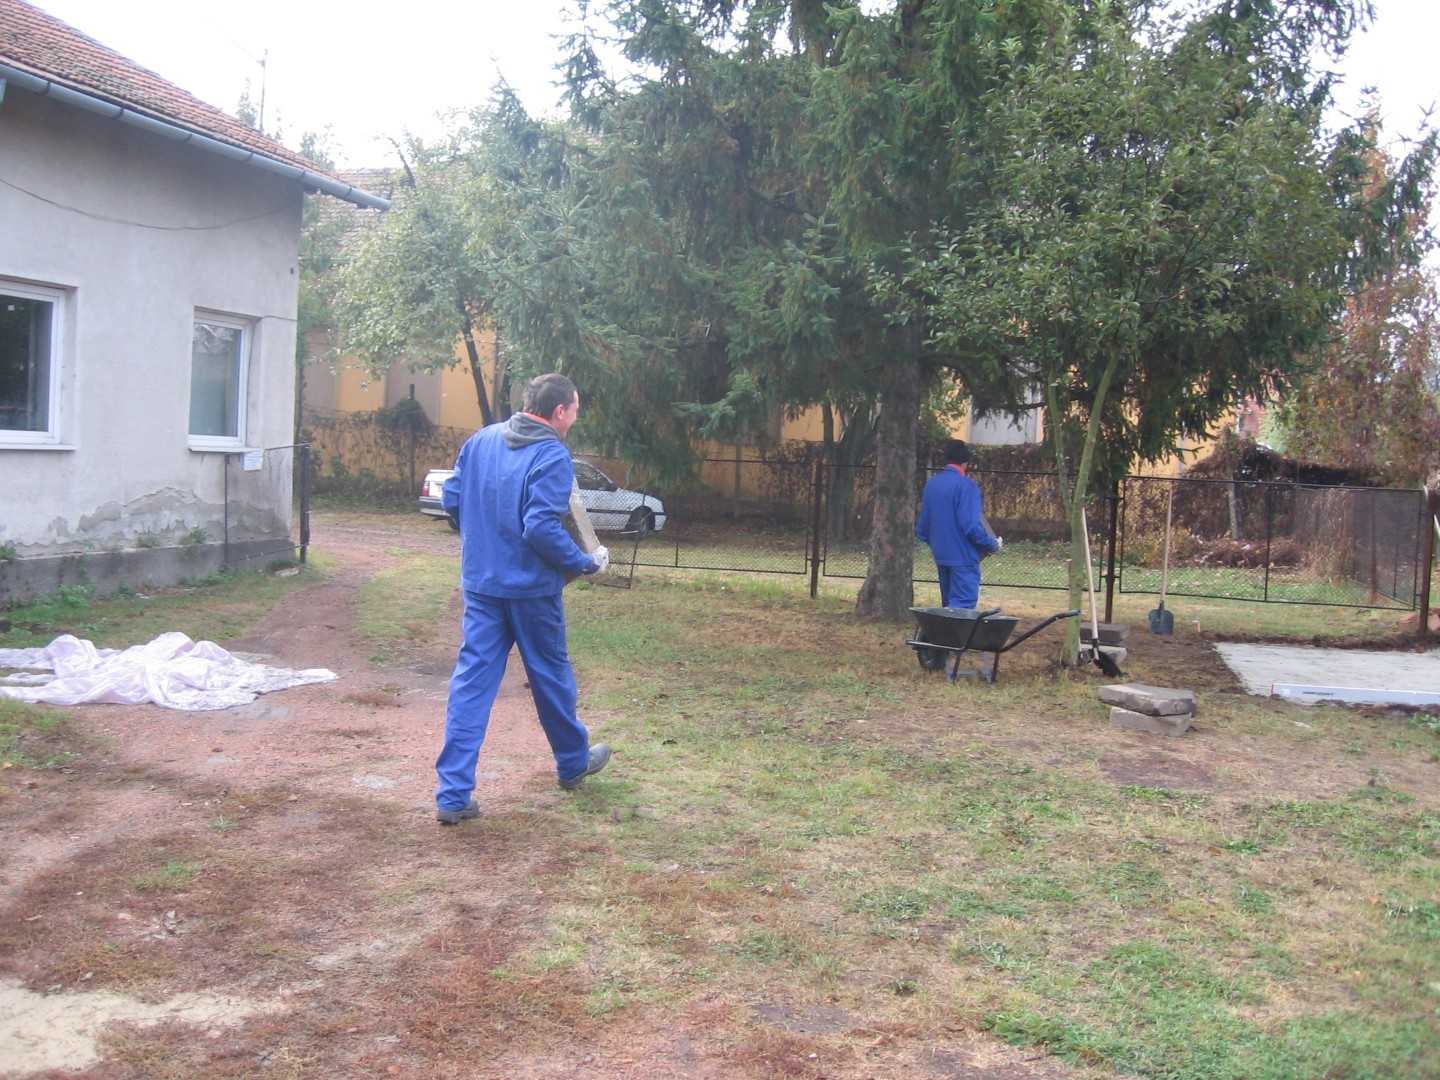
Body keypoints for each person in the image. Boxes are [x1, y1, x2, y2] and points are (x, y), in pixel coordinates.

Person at [434, 373, 612, 824]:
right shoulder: (552, 453)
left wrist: (483, 540)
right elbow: (540, 527)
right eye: (575, 410)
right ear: (559, 411)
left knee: (472, 684)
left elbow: (452, 497)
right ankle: (572, 763)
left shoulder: (481, 440)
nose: (575, 418)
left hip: (482, 586)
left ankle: (452, 795)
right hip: (532, 592)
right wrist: (585, 562)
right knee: (551, 677)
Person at [915, 438, 1001, 610]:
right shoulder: (966, 486)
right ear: (966, 462)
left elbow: (922, 529)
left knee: (948, 607)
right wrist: (992, 544)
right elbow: (972, 526)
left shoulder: (932, 484)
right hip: (964, 557)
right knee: (962, 607)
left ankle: (940, 628)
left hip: (941, 555)